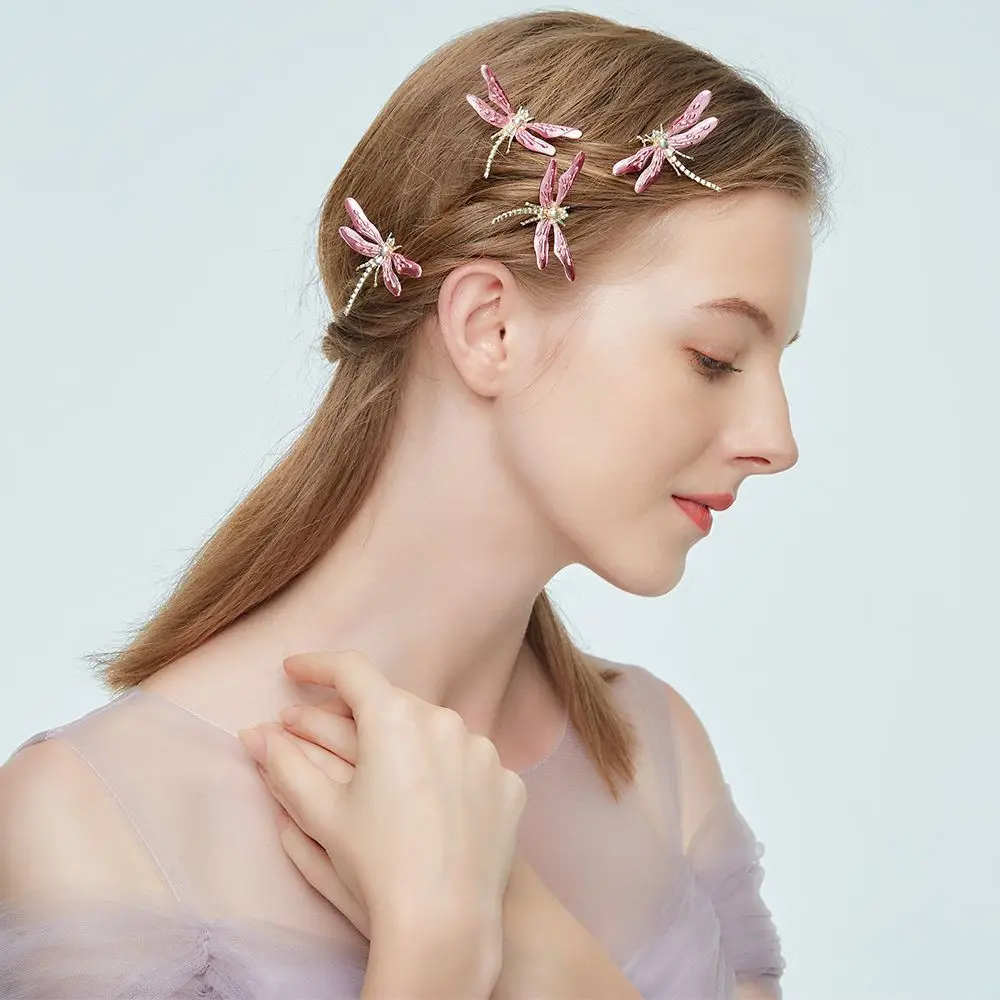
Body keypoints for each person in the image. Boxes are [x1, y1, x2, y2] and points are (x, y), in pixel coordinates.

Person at [0, 8, 830, 999]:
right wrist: (435, 947)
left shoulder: (659, 759)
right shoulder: (96, 822)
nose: (775, 440)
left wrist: (522, 927)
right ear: (489, 328)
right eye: (715, 358)